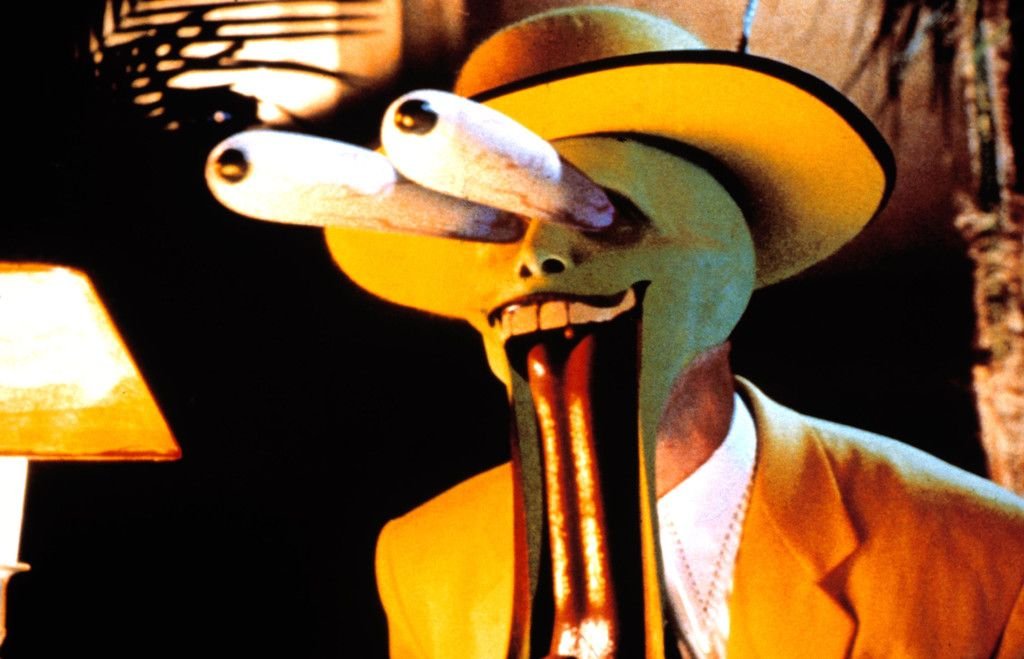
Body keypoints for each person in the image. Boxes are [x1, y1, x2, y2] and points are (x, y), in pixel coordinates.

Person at [205, 6, 1024, 657]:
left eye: (594, 213)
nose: (539, 261)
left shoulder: (986, 554)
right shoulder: (425, 559)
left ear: (729, 258)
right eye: (498, 228)